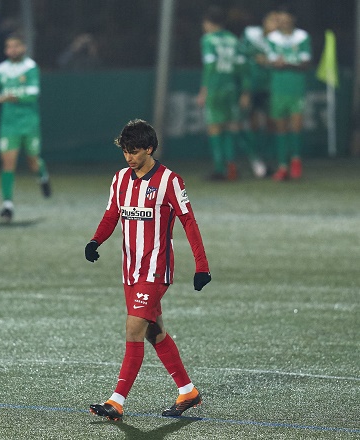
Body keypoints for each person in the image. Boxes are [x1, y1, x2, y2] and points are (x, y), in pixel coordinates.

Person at [86, 119, 211, 420]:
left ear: (150, 148)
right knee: (154, 332)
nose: (128, 157)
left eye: (134, 151)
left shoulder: (170, 181)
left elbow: (189, 222)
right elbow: (111, 215)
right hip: (130, 270)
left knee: (133, 328)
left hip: (156, 269)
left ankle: (116, 401)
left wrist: (201, 266)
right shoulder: (120, 180)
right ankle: (188, 392)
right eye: (125, 151)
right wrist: (95, 240)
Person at [0, 34, 51, 223]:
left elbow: (32, 94)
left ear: (23, 47)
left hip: (29, 123)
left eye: (15, 46)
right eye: (8, 47)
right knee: (8, 163)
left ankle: (43, 175)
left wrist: (10, 97)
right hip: (9, 124)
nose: (11, 50)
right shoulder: (0, 69)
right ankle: (7, 206)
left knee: (33, 161)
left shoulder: (30, 68)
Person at [197, 6, 245, 181]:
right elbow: (241, 67)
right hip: (232, 88)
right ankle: (232, 166)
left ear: (208, 23)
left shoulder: (208, 40)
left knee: (215, 127)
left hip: (216, 88)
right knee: (231, 127)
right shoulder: (233, 39)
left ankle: (219, 168)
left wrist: (204, 90)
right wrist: (244, 91)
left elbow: (210, 67)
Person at [266, 7, 311, 181]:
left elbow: (306, 64)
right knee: (280, 128)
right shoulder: (272, 38)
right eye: (281, 19)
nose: (283, 22)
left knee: (296, 125)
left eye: (286, 19)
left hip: (296, 87)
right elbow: (271, 62)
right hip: (278, 88)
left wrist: (286, 64)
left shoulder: (302, 37)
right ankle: (283, 166)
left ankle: (296, 160)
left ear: (293, 19)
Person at [238, 11, 279, 178]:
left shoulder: (277, 41)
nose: (276, 24)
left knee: (272, 123)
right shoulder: (250, 34)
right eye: (273, 20)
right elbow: (241, 57)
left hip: (269, 87)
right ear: (265, 21)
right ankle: (256, 160)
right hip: (251, 87)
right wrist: (245, 89)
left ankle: (269, 160)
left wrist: (268, 61)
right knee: (252, 123)